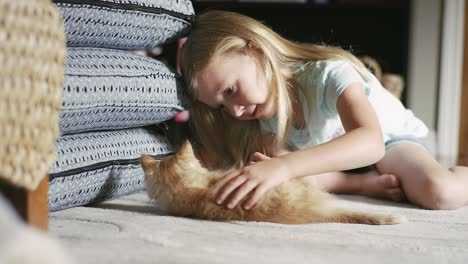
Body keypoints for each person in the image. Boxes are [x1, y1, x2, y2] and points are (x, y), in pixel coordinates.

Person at [179, 10, 468, 211]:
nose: (235, 111)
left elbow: (371, 143)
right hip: (339, 163)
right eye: (221, 105)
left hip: (390, 141)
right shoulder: (263, 119)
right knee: (276, 168)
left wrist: (283, 166)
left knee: (439, 192)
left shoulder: (328, 74)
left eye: (230, 90)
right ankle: (361, 184)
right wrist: (278, 167)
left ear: (255, 51)